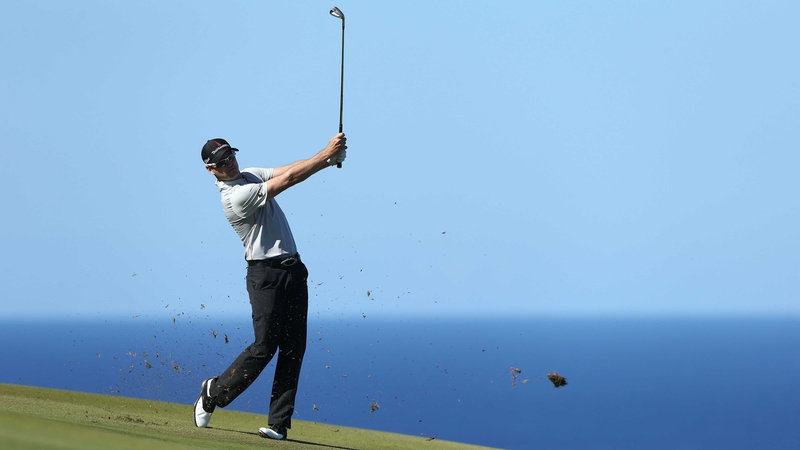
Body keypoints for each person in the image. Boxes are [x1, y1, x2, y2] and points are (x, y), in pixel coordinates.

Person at [194, 134, 347, 441]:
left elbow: (287, 168)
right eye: (222, 162)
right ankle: (214, 391)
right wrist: (326, 155)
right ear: (212, 170)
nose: (230, 163)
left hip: (292, 270)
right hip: (265, 276)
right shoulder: (235, 196)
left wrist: (328, 159)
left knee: (294, 348)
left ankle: (278, 424)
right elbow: (289, 180)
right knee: (265, 346)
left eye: (231, 156)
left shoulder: (248, 174)